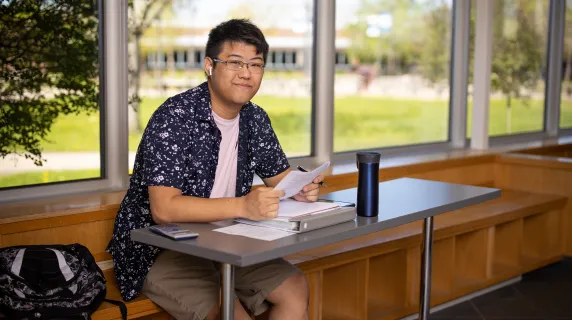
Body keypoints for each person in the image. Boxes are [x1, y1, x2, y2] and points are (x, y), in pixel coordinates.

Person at [106, 18, 323, 320]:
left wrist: (302, 186)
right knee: (230, 315)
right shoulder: (175, 117)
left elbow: (280, 178)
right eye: (235, 63)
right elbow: (164, 210)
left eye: (256, 65)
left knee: (295, 286)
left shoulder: (254, 118)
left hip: (226, 238)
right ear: (210, 65)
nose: (246, 74)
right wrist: (245, 206)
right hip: (162, 248)